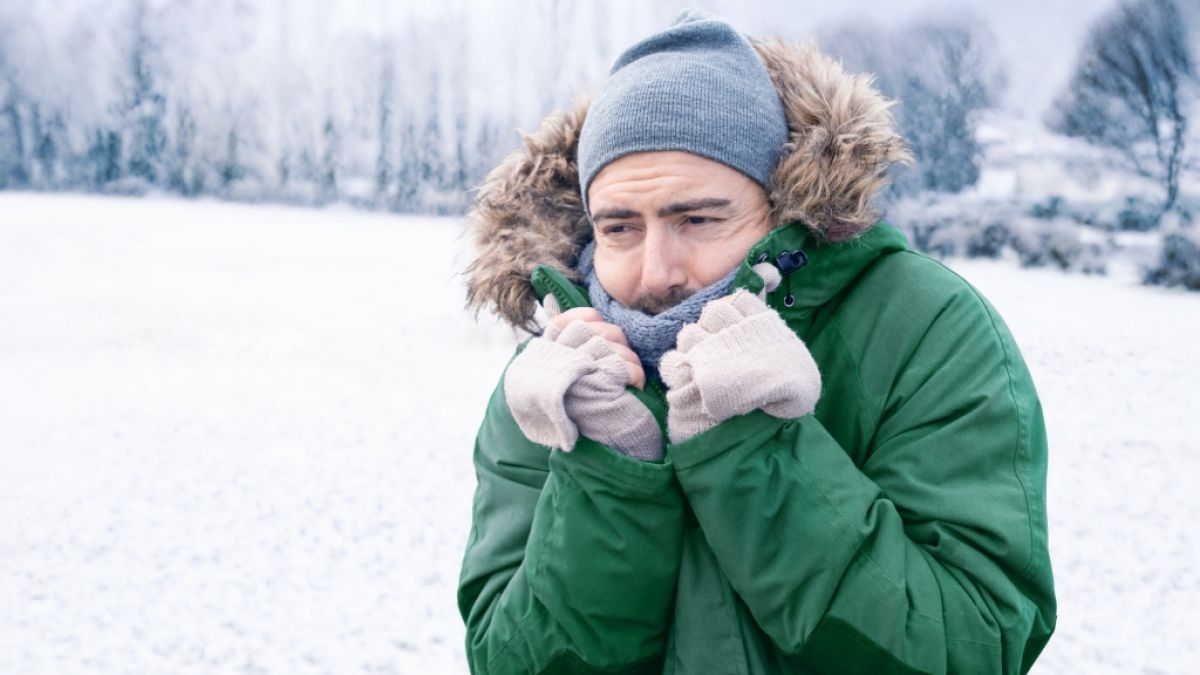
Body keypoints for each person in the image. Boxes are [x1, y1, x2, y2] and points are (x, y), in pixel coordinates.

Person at [457, 10, 1056, 675]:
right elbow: (508, 662)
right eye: (620, 228)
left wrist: (755, 449)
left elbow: (973, 645)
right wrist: (606, 470)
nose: (659, 271)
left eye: (699, 218)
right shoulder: (554, 378)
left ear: (781, 204)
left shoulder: (924, 328)